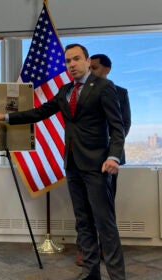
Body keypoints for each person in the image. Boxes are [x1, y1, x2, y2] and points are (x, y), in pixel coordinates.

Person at [0, 44, 126, 280]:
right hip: (72, 165)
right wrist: (6, 117)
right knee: (83, 222)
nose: (72, 64)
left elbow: (117, 126)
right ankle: (90, 273)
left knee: (105, 224)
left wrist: (113, 157)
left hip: (97, 166)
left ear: (86, 60)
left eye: (76, 59)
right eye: (68, 61)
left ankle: (117, 277)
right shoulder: (65, 91)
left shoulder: (104, 87)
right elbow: (40, 112)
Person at [74, 54, 132, 266]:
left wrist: (109, 153)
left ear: (107, 69)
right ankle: (84, 248)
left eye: (95, 67)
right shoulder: (77, 92)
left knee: (104, 207)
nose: (91, 70)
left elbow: (123, 125)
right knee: (83, 207)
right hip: (82, 158)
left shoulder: (120, 93)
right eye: (90, 66)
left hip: (108, 160)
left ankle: (105, 249)